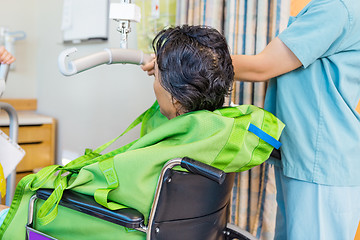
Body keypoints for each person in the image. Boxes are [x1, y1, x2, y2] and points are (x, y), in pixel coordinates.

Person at [0, 25, 283, 240]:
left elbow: (90, 184)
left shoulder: (165, 151)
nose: (154, 83)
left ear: (174, 95)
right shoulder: (224, 134)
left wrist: (39, 185)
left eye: (158, 75)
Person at [143, 2, 360, 240]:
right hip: (304, 155)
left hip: (322, 161)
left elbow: (262, 67)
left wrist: (176, 64)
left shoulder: (338, 8)